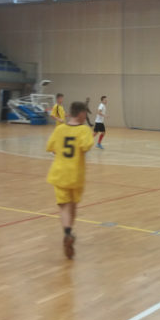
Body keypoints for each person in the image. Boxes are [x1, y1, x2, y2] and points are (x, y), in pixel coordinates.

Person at [46, 101, 94, 259]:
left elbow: (50, 147)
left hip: (60, 173)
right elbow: (86, 147)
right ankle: (69, 232)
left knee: (64, 206)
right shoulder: (84, 130)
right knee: (72, 205)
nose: (86, 116)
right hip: (76, 174)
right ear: (81, 113)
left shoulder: (60, 129)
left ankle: (67, 232)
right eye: (85, 113)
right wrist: (91, 135)